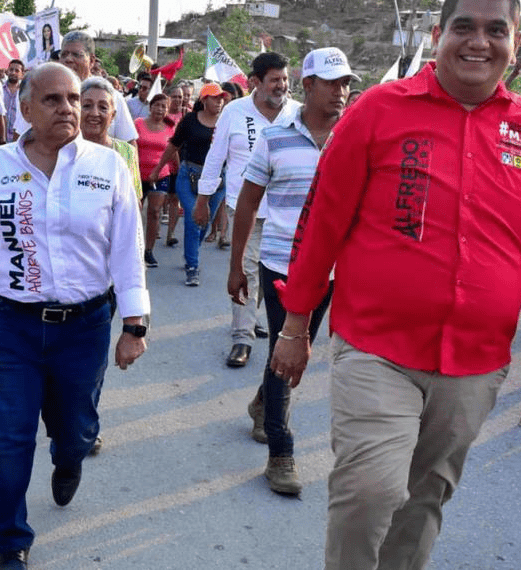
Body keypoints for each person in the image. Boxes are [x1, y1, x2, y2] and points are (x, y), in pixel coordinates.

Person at [270, 0, 521, 566]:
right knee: (371, 489)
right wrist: (295, 325)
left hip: (475, 362)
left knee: (425, 496)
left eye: (495, 30)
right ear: (438, 34)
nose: (477, 42)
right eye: (463, 27)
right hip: (377, 347)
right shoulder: (378, 110)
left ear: (516, 42)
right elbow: (322, 223)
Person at [0, 62, 148, 570]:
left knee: (76, 428)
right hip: (10, 325)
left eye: (74, 99)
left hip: (85, 326)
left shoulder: (108, 167)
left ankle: (69, 456)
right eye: (53, 100)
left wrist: (134, 324)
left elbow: (127, 249)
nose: (68, 109)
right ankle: (10, 540)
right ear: (26, 109)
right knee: (5, 438)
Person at [230, 47, 353, 495]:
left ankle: (262, 403)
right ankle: (281, 453)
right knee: (288, 353)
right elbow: (247, 200)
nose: (341, 92)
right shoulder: (275, 136)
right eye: (332, 83)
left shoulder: (356, 136)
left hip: (333, 272)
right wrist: (236, 266)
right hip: (281, 265)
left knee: (290, 352)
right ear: (308, 86)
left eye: (346, 83)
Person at [195, 52, 300, 370]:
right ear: (255, 82)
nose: (281, 86)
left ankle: (252, 317)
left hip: (285, 213)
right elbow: (217, 155)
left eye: (284, 79)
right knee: (247, 271)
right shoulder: (234, 112)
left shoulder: (297, 113)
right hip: (245, 211)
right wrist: (203, 198)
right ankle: (242, 338)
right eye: (274, 80)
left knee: (274, 274)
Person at [150, 82, 230, 287]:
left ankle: (190, 253)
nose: (219, 101)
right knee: (194, 219)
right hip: (190, 176)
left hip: (217, 180)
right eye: (214, 97)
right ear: (204, 100)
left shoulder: (227, 122)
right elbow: (174, 145)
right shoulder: (190, 120)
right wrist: (158, 169)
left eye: (221, 98)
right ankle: (192, 267)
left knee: (205, 221)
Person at [14, 31, 137, 144]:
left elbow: (129, 142)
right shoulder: (42, 94)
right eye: (64, 54)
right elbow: (20, 138)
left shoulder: (112, 97)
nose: (68, 59)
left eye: (76, 55)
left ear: (92, 60)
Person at [79, 76, 141, 202]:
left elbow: (134, 204)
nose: (94, 113)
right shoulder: (64, 150)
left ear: (113, 115)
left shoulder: (126, 152)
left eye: (103, 107)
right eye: (87, 106)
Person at [136, 92, 177, 267]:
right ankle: (132, 249)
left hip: (160, 175)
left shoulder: (170, 129)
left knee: (154, 212)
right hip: (137, 175)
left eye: (163, 106)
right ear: (150, 106)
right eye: (157, 105)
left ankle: (148, 251)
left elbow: (173, 151)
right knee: (134, 214)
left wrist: (179, 171)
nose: (160, 109)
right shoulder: (138, 123)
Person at [4, 58, 25, 138]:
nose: (13, 73)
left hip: (17, 138)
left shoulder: (25, 93)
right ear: (7, 71)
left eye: (17, 71)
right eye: (11, 70)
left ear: (22, 74)